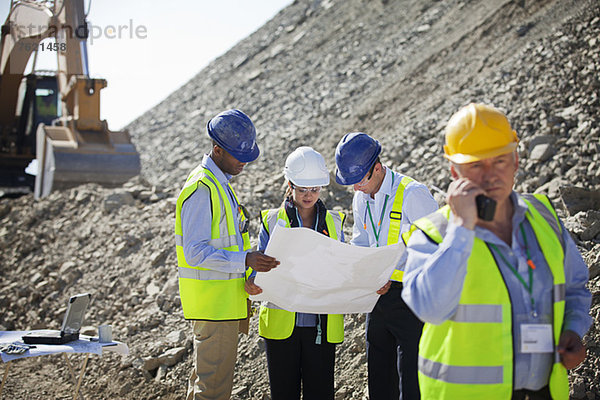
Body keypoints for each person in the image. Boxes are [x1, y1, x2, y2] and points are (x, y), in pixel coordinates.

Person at [401, 103, 592, 399]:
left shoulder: (544, 219)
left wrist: (574, 328)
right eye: (476, 165)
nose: (489, 175)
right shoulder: (434, 233)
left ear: (515, 161)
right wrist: (462, 229)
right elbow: (430, 309)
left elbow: (575, 288)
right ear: (454, 170)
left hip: (545, 391)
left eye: (499, 161)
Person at [174, 109, 279, 400]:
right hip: (214, 308)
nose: (243, 161)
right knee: (213, 391)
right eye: (237, 155)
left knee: (205, 384)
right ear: (217, 150)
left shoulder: (219, 185)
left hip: (222, 305)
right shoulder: (201, 188)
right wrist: (245, 259)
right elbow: (195, 253)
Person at [334, 132, 439, 400]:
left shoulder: (413, 194)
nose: (355, 188)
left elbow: (437, 249)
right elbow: (361, 242)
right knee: (380, 379)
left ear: (377, 169)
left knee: (411, 384)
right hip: (378, 299)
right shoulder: (361, 197)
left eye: (359, 181)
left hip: (411, 301)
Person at [245, 146, 346, 400]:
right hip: (282, 327)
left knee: (320, 394)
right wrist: (252, 281)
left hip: (320, 327)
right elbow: (260, 267)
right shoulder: (271, 221)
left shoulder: (334, 223)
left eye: (314, 189)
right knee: (284, 393)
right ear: (289, 185)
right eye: (302, 189)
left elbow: (344, 267)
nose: (309, 195)